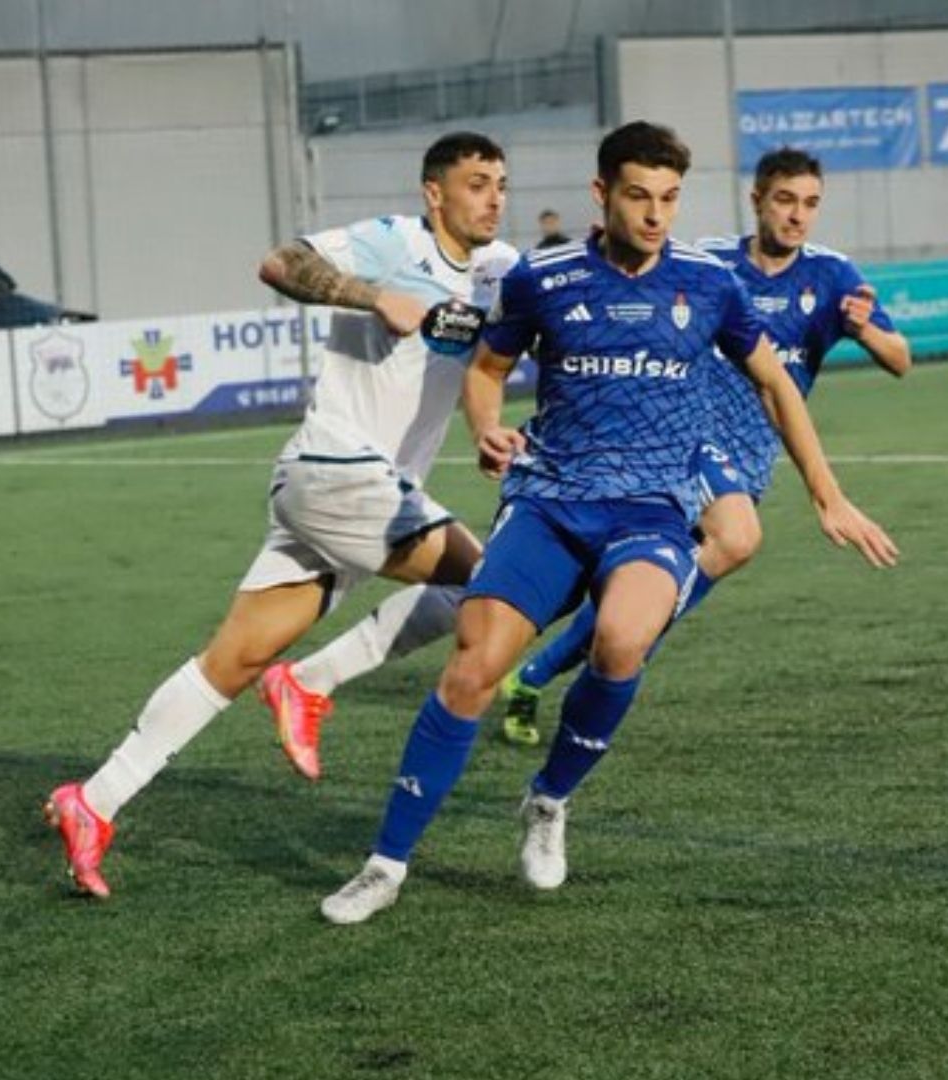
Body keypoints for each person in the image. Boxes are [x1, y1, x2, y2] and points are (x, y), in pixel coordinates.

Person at [318, 121, 899, 925]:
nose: (656, 215)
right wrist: (485, 427)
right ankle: (385, 863)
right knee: (473, 664)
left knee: (622, 639)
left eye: (668, 198)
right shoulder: (543, 279)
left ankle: (549, 799)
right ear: (602, 193)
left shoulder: (708, 284)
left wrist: (828, 496)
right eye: (638, 196)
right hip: (549, 500)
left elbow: (775, 383)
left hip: (652, 506)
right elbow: (486, 371)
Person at [42, 132, 520, 899]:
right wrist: (373, 296)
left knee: (229, 662)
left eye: (500, 182)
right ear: (435, 193)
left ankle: (93, 801)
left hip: (352, 493)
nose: (493, 196)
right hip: (337, 467)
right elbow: (279, 262)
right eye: (475, 183)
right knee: (497, 584)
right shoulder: (393, 242)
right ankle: (312, 683)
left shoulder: (502, 273)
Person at [498, 145, 913, 746]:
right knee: (739, 537)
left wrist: (865, 327)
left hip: (751, 458)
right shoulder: (712, 264)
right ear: (757, 201)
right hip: (683, 442)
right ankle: (550, 662)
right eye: (785, 201)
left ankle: (537, 669)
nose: (798, 216)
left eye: (811, 205)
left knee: (636, 590)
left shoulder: (832, 274)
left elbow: (901, 361)